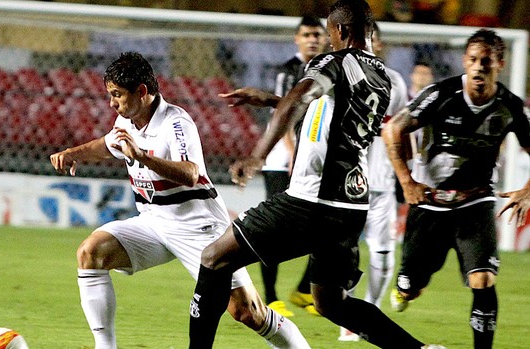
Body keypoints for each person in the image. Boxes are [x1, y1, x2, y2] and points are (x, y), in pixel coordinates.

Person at [188, 1, 444, 348]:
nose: (327, 40)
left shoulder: (334, 62)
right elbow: (329, 113)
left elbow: (302, 98)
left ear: (339, 31)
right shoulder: (383, 78)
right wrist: (271, 99)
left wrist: (257, 156)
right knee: (330, 302)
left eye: (328, 33)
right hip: (351, 206)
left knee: (214, 257)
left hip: (311, 201)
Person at [49, 52, 310, 349]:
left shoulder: (176, 122)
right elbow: (106, 146)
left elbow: (191, 173)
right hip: (154, 222)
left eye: (117, 95)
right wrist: (73, 154)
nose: (112, 103)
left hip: (198, 226)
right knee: (91, 252)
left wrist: (143, 157)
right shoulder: (128, 120)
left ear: (142, 92)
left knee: (247, 312)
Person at [383, 28, 530, 349]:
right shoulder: (441, 95)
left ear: (500, 65)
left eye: (487, 62)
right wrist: (407, 181)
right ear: (465, 61)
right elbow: (393, 129)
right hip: (430, 203)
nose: (479, 67)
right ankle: (405, 288)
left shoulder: (510, 106)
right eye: (473, 60)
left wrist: (527, 190)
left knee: (483, 279)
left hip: (475, 202)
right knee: (411, 286)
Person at [337, 21, 409, 342]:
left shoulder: (396, 83)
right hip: (344, 183)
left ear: (378, 44)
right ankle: (346, 314)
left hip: (380, 183)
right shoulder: (339, 76)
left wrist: (407, 174)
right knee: (340, 254)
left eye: (372, 40)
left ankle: (371, 310)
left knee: (381, 252)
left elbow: (404, 134)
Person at [259, 14, 327, 318]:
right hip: (283, 161)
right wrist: (291, 153)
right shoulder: (290, 71)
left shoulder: (327, 68)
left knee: (324, 226)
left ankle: (302, 291)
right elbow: (284, 113)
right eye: (307, 34)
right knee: (275, 230)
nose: (312, 39)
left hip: (312, 159)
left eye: (317, 34)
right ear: (297, 39)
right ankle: (271, 297)